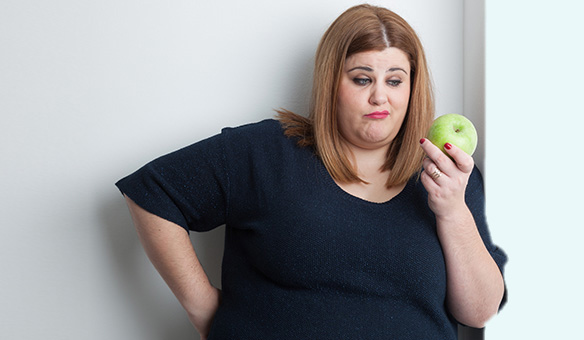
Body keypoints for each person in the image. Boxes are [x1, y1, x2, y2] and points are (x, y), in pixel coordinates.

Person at [115, 4, 507, 339]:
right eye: (361, 78)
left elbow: (478, 312)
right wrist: (204, 309)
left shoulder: (448, 173)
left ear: (412, 88)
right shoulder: (266, 152)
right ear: (330, 82)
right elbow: (153, 193)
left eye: (394, 80)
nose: (379, 96)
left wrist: (453, 210)